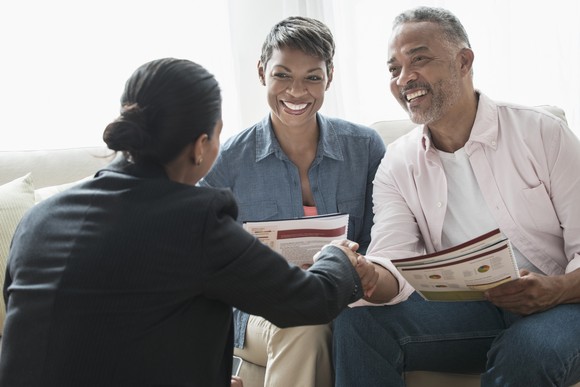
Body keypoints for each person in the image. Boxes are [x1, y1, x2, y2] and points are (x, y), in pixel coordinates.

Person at [0, 58, 374, 387]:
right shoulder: (196, 219)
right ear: (200, 145)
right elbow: (310, 301)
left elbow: (81, 331)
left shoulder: (38, 219)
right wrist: (338, 256)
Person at [332, 6, 580, 387]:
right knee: (356, 321)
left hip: (564, 304)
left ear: (464, 61)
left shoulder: (542, 133)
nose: (404, 78)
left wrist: (556, 290)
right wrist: (366, 274)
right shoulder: (397, 163)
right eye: (393, 68)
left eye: (419, 59)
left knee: (528, 349)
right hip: (469, 311)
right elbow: (393, 267)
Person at [200, 16, 385, 387]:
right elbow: (199, 254)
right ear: (261, 72)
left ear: (329, 77)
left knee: (331, 319)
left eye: (312, 77)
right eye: (282, 75)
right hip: (256, 312)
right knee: (305, 319)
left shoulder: (365, 148)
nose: (296, 92)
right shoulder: (228, 160)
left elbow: (384, 237)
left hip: (347, 297)